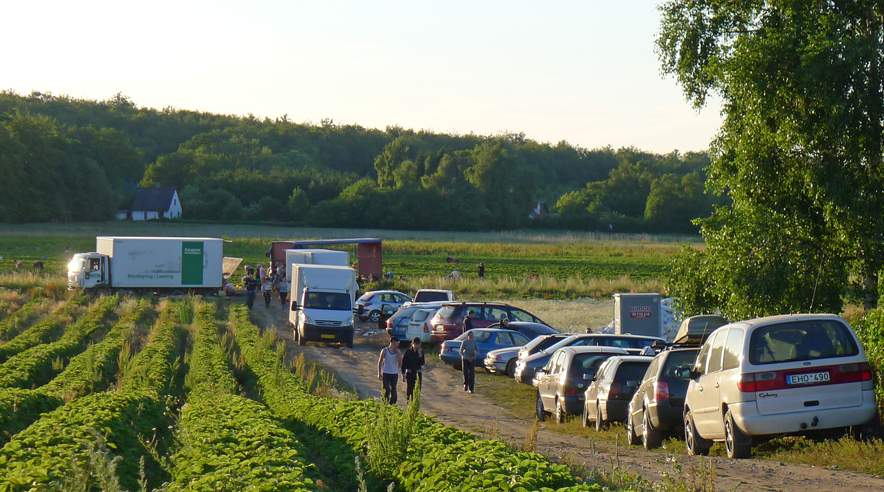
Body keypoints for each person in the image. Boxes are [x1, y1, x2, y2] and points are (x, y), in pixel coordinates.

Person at [377, 336, 403, 404]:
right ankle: (384, 403)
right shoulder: (384, 350)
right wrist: (379, 373)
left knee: (393, 389)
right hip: (386, 373)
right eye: (397, 343)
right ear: (393, 342)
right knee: (386, 389)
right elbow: (380, 362)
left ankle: (392, 404)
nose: (398, 345)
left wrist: (399, 355)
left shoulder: (398, 351)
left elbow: (400, 365)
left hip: (394, 373)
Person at [401, 337, 425, 401]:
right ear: (412, 343)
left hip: (418, 373)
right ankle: (409, 404)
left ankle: (415, 404)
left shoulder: (421, 352)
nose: (417, 345)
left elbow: (422, 363)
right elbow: (404, 363)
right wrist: (403, 374)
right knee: (409, 390)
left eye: (418, 344)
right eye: (415, 344)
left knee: (417, 390)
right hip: (410, 373)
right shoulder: (408, 352)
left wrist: (420, 355)